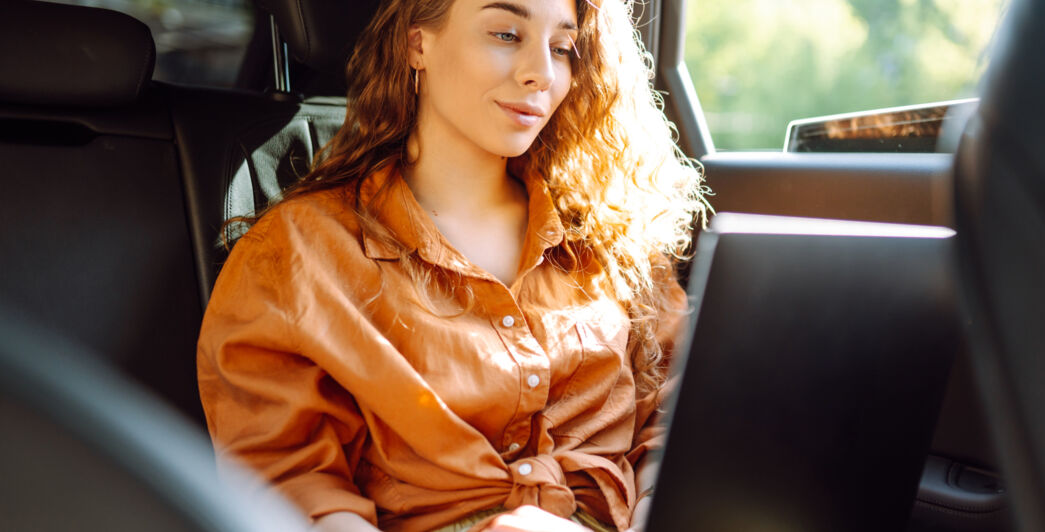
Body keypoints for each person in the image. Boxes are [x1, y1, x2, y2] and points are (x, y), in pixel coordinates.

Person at [197, 0, 708, 530]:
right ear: (418, 44)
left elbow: (676, 413)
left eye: (562, 48)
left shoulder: (609, 238)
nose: (542, 72)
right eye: (507, 34)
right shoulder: (298, 250)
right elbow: (290, 482)